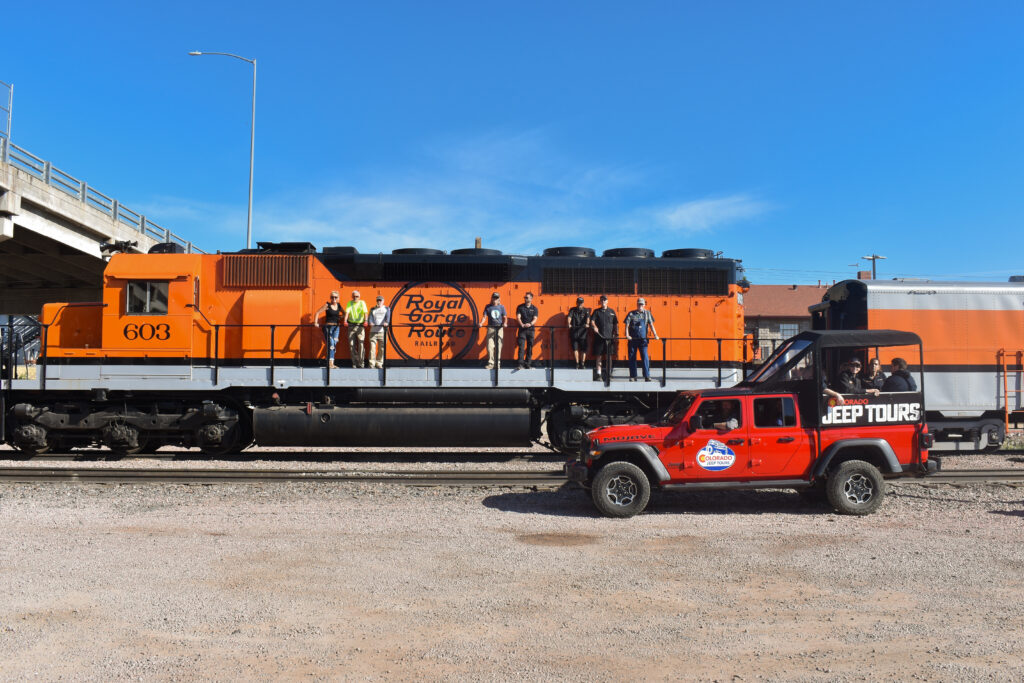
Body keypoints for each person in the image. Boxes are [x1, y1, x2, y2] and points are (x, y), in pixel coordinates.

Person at [624, 297, 659, 382]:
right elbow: (627, 325)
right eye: (639, 304)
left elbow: (651, 325)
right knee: (632, 357)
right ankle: (633, 376)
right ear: (637, 304)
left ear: (644, 305)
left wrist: (655, 335)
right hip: (632, 339)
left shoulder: (647, 313)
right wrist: (627, 335)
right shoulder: (631, 314)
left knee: (645, 357)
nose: (640, 305)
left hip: (643, 340)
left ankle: (647, 376)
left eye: (642, 304)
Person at [589, 295, 618, 380]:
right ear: (600, 302)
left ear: (607, 301)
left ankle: (609, 373)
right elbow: (592, 321)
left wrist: (616, 334)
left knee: (609, 357)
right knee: (599, 356)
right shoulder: (596, 312)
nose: (603, 302)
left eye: (605, 300)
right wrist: (594, 326)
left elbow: (615, 324)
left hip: (609, 338)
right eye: (602, 300)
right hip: (599, 337)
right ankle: (599, 374)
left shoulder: (612, 311)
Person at [313, 291, 343, 369]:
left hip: (336, 328)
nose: (334, 299)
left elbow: (345, 313)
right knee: (331, 344)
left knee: (334, 344)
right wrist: (315, 322)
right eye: (332, 297)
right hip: (328, 328)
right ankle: (330, 364)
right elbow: (317, 313)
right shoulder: (327, 305)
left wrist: (340, 318)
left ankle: (330, 362)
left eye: (336, 297)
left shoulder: (339, 306)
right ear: (330, 298)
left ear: (338, 298)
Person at [479, 292, 507, 370]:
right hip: (491, 327)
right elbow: (484, 316)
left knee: (499, 346)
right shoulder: (488, 307)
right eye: (494, 298)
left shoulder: (502, 307)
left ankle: (497, 364)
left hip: (499, 328)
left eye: (496, 298)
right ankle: (491, 363)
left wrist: (505, 323)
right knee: (489, 346)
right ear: (492, 298)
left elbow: (505, 317)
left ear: (499, 299)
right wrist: (481, 323)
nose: (495, 299)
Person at [343, 290, 369, 368]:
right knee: (351, 345)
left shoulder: (362, 303)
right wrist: (345, 321)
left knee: (361, 344)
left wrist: (366, 321)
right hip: (351, 325)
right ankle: (354, 362)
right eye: (354, 296)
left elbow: (365, 313)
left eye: (357, 296)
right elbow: (347, 313)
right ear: (352, 297)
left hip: (360, 325)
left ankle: (361, 363)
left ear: (359, 297)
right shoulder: (349, 303)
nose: (355, 298)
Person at [366, 295, 391, 369]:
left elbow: (388, 318)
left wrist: (387, 322)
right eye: (378, 300)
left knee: (382, 348)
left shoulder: (386, 309)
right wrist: (370, 322)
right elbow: (370, 318)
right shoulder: (373, 309)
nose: (379, 302)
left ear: (383, 301)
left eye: (380, 300)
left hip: (382, 331)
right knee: (372, 348)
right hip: (373, 331)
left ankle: (379, 363)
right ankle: (371, 364)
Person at [515, 292, 539, 369]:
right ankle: (520, 364)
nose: (525, 298)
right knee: (521, 347)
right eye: (525, 297)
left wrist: (530, 324)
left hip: (531, 330)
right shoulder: (520, 307)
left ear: (531, 299)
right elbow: (518, 317)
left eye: (527, 297)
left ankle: (528, 364)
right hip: (522, 330)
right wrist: (521, 324)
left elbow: (535, 318)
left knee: (530, 347)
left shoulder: (534, 308)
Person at [567, 297, 590, 369]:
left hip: (583, 332)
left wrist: (587, 324)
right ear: (576, 303)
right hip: (574, 332)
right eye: (579, 302)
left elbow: (588, 319)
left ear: (583, 303)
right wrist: (568, 323)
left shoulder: (586, 310)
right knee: (575, 349)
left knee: (583, 349)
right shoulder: (572, 310)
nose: (580, 304)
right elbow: (569, 317)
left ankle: (582, 363)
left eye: (581, 302)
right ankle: (577, 363)